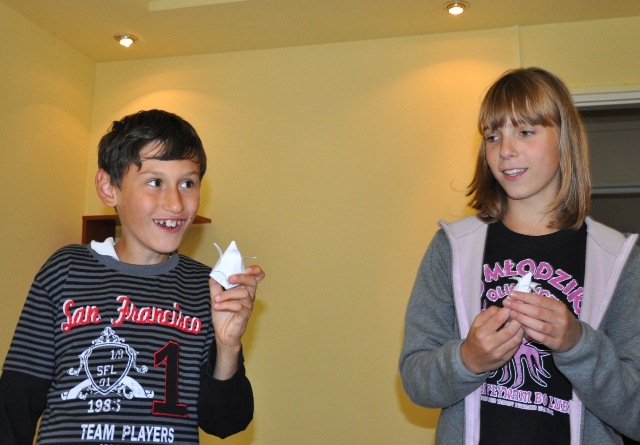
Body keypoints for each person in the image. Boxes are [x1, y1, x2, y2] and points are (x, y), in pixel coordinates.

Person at [399, 67, 640, 445]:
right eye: (493, 136)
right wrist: (468, 359)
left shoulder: (619, 260)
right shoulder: (452, 247)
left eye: (526, 132)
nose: (505, 150)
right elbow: (416, 380)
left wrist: (578, 344)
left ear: (565, 139)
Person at [0, 109, 265, 444]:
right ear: (108, 187)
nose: (175, 203)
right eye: (155, 182)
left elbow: (226, 422)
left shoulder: (206, 287)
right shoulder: (65, 270)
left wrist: (227, 346)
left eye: (187, 183)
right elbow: (15, 404)